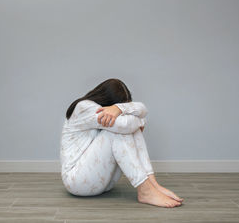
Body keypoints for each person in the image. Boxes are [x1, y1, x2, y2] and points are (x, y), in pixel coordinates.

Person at [60, 78, 184, 208]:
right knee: (120, 131)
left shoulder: (111, 108)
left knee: (129, 129)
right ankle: (145, 191)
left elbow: (142, 109)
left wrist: (119, 108)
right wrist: (141, 122)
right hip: (77, 182)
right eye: (118, 106)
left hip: (104, 182)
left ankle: (153, 185)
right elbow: (126, 124)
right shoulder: (83, 107)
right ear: (107, 100)